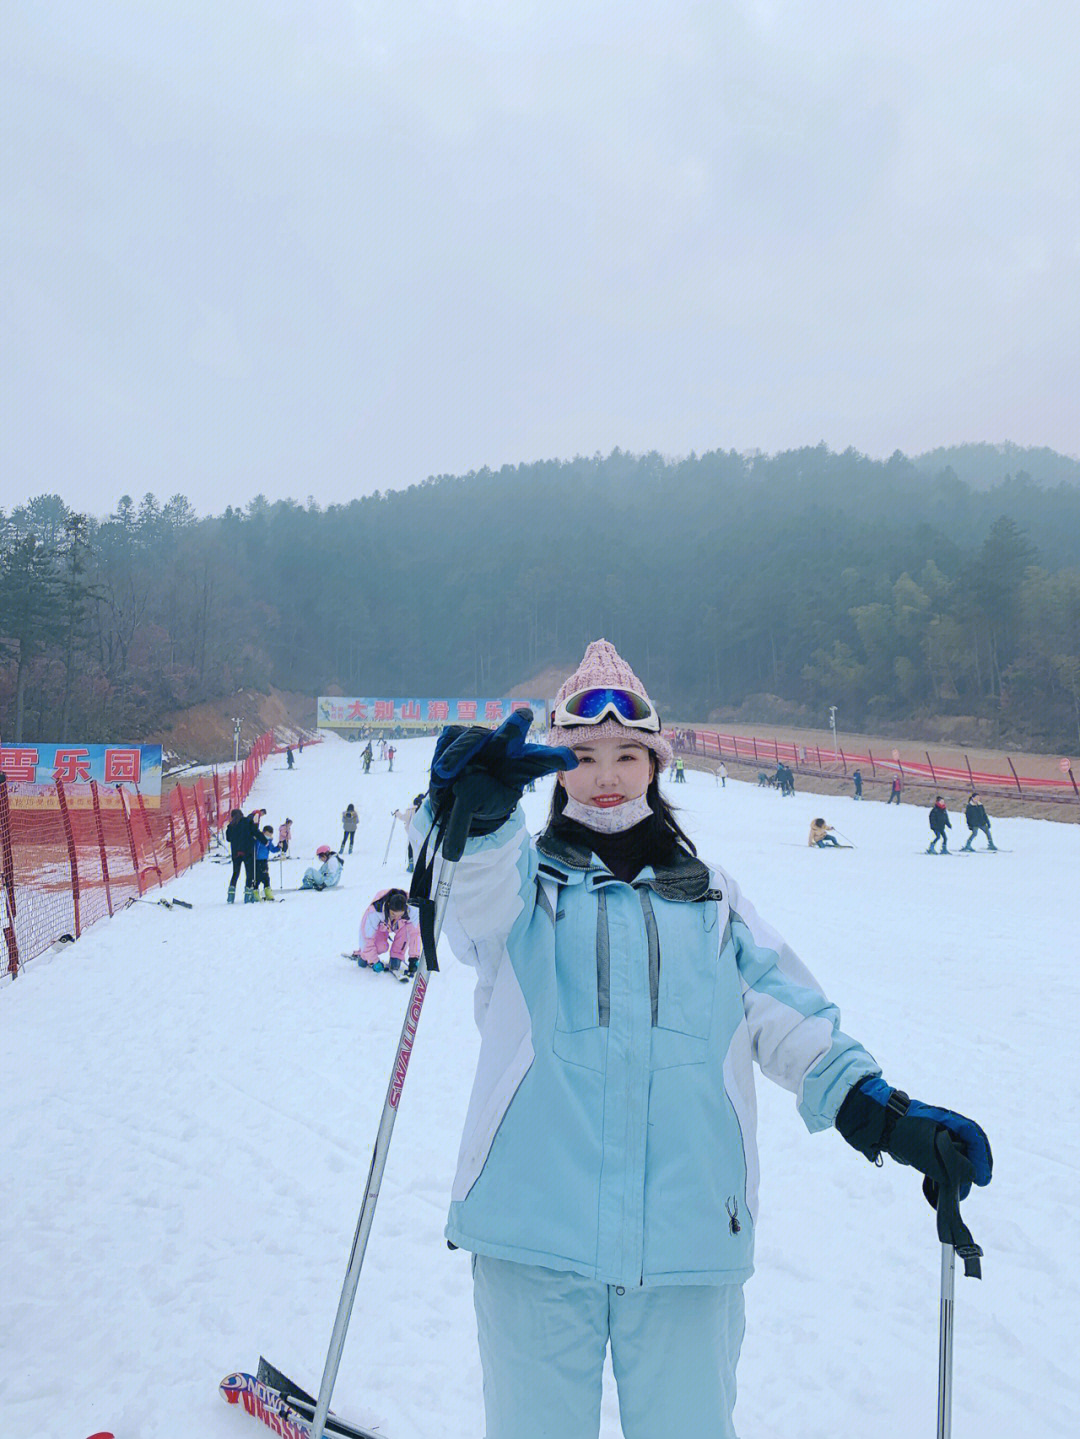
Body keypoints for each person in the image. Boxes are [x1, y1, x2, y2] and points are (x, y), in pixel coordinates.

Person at [410, 639, 991, 1439]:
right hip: (532, 1236)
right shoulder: (522, 885)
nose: (606, 774)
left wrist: (882, 1113)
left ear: (655, 765)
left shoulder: (713, 899)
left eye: (626, 753)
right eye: (582, 756)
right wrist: (472, 817)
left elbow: (787, 1014)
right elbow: (464, 901)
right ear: (554, 768)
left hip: (687, 1243)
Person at [351, 887, 421, 976]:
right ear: (388, 906)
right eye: (393, 914)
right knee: (380, 948)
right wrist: (373, 961)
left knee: (406, 930)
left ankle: (396, 956)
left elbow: (415, 934)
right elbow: (366, 937)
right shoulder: (375, 911)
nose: (396, 917)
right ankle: (363, 955)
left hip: (401, 926)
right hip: (382, 927)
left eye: (400, 915)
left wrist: (414, 958)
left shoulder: (412, 910)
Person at [224, 807, 259, 904]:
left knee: (235, 873)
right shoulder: (247, 822)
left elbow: (228, 839)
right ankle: (248, 896)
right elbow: (255, 832)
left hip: (236, 853)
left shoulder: (231, 826)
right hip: (248, 852)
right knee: (249, 873)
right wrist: (265, 842)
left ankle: (231, 896)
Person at [393, 794, 426, 872]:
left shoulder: (410, 810)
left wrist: (397, 813)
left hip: (412, 832)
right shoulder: (424, 809)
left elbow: (404, 818)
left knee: (411, 847)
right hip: (422, 832)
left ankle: (411, 865)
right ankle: (422, 865)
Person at [253, 824, 280, 899]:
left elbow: (272, 849)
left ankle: (267, 891)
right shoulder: (258, 840)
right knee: (257, 877)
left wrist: (278, 847)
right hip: (256, 860)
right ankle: (255, 892)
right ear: (263, 832)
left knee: (266, 876)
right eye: (267, 834)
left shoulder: (269, 841)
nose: (268, 836)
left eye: (270, 834)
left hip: (264, 860)